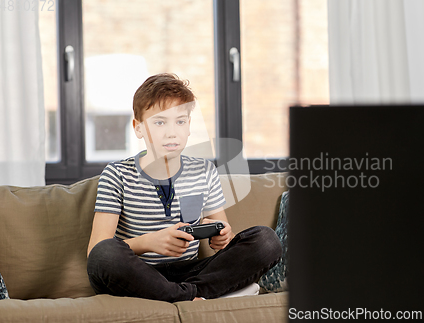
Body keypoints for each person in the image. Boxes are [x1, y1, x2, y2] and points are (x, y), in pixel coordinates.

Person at [86, 73, 282, 302]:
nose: (172, 132)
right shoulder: (117, 174)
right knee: (105, 254)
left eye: (180, 121)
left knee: (266, 241)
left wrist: (221, 235)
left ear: (188, 126)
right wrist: (150, 241)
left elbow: (223, 234)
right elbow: (96, 250)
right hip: (139, 274)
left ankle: (185, 295)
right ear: (138, 128)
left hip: (190, 272)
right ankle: (195, 296)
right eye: (160, 122)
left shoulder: (204, 171)